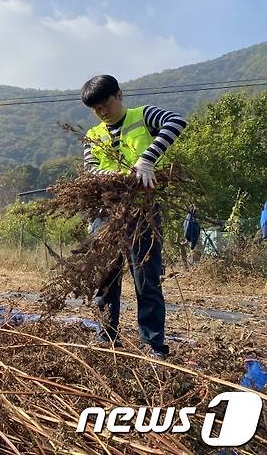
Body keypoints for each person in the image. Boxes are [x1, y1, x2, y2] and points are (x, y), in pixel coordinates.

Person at [81, 74, 187, 359]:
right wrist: (118, 176)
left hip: (143, 211)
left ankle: (153, 346)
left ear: (119, 95)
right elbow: (90, 171)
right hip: (106, 213)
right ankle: (105, 337)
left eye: (106, 104)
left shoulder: (143, 116)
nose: (103, 112)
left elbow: (177, 121)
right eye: (96, 109)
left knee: (146, 279)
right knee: (104, 277)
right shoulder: (93, 136)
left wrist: (147, 158)